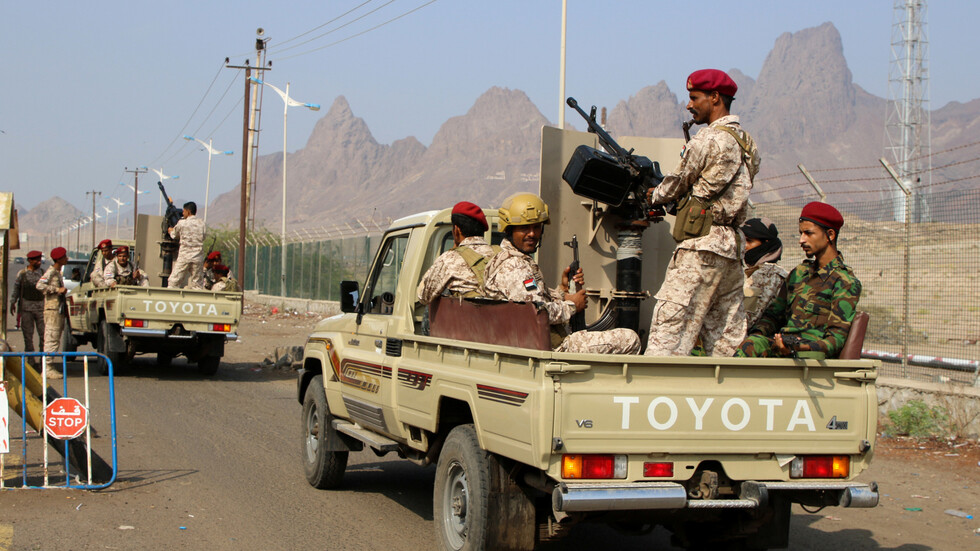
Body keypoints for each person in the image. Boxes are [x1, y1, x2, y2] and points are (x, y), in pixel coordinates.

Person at [644, 69, 759, 357]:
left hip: (701, 245)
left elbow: (677, 182)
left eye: (695, 98)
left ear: (715, 97)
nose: (689, 105)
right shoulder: (748, 144)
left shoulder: (708, 139)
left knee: (670, 327)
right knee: (726, 335)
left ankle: (655, 382)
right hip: (731, 248)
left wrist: (654, 195)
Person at [484, 193, 640, 354]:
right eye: (524, 228)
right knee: (630, 338)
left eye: (536, 227)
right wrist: (572, 306)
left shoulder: (512, 260)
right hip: (545, 347)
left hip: (535, 342)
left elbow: (533, 298)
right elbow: (535, 312)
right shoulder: (514, 267)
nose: (532, 234)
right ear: (509, 230)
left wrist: (562, 291)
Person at [736, 202, 862, 359]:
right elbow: (773, 316)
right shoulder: (798, 274)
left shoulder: (844, 282)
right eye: (801, 233)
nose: (801, 240)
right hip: (784, 348)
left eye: (808, 233)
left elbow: (835, 340)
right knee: (751, 343)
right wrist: (758, 335)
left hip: (810, 358)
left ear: (830, 235)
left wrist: (800, 347)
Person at [417, 201, 498, 305]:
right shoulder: (504, 255)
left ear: (456, 230)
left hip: (467, 315)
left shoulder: (449, 259)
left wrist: (454, 250)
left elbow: (424, 296)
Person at [740, 217, 788, 329]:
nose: (744, 246)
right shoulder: (764, 272)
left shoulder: (763, 275)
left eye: (749, 241)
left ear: (766, 243)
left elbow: (746, 320)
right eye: (743, 241)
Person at [36, 247, 69, 379]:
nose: (66, 259)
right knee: (51, 338)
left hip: (57, 309)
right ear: (59, 259)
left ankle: (48, 366)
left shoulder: (57, 272)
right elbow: (39, 285)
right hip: (52, 309)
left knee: (55, 338)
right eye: (64, 257)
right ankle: (47, 368)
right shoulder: (51, 272)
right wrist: (56, 289)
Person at [10, 250, 46, 355]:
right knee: (28, 336)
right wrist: (13, 302)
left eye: (40, 260)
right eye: (36, 260)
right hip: (26, 309)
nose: (39, 262)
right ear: (30, 260)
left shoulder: (43, 273)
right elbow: (16, 289)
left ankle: (42, 359)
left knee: (44, 336)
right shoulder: (22, 274)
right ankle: (30, 359)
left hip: (41, 309)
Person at [167, 201, 206, 289]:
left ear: (188, 212)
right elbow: (203, 237)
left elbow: (174, 235)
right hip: (198, 257)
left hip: (184, 256)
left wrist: (170, 230)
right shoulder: (202, 223)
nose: (183, 213)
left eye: (184, 211)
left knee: (173, 282)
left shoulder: (182, 223)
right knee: (197, 284)